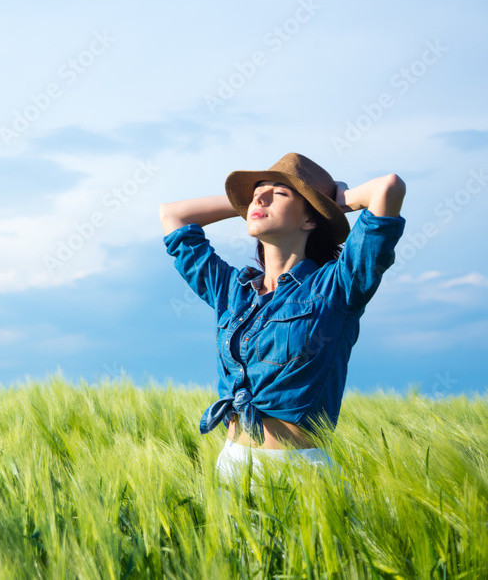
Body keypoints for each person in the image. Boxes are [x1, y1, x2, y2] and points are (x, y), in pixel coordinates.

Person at [158, 152, 406, 494]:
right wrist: (247, 204)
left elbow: (389, 188)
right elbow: (173, 215)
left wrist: (338, 203)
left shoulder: (337, 288)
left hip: (300, 475)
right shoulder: (232, 291)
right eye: (258, 191)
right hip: (231, 465)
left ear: (310, 220)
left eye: (281, 192)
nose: (260, 197)